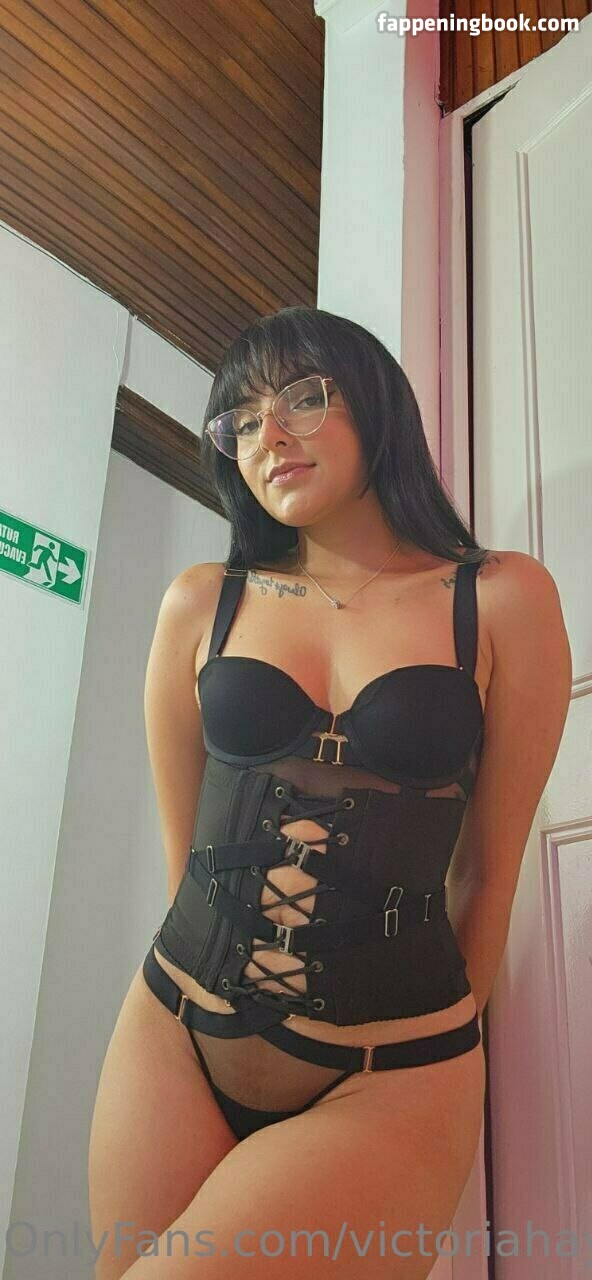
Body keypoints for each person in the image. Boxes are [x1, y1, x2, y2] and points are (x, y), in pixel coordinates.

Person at [88, 306, 572, 1280]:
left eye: (302, 397)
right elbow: (189, 857)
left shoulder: (501, 599)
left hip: (390, 1068)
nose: (269, 432)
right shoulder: (203, 600)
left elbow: (488, 873)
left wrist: (436, 1056)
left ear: (376, 403)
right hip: (174, 1027)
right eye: (242, 419)